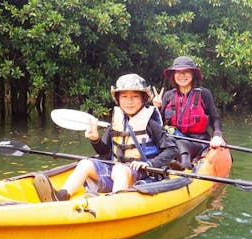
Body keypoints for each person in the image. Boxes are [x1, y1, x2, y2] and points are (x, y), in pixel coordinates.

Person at [34, 73, 178, 202]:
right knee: (85, 163)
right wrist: (95, 139)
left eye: (135, 97)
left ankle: (114, 203)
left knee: (120, 170)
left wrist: (150, 164)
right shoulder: (116, 123)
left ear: (143, 99)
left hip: (143, 175)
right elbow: (104, 152)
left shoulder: (151, 124)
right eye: (124, 97)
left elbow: (172, 150)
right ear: (118, 99)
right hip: (116, 172)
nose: (129, 101)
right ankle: (62, 195)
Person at [153, 56, 225, 170]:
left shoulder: (204, 94)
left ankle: (185, 170)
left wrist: (217, 136)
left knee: (181, 144)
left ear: (193, 75)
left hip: (198, 141)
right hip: (173, 139)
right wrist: (156, 108)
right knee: (166, 143)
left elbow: (215, 118)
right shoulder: (168, 95)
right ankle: (159, 166)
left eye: (186, 72)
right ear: (173, 75)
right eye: (178, 72)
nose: (182, 75)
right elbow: (158, 123)